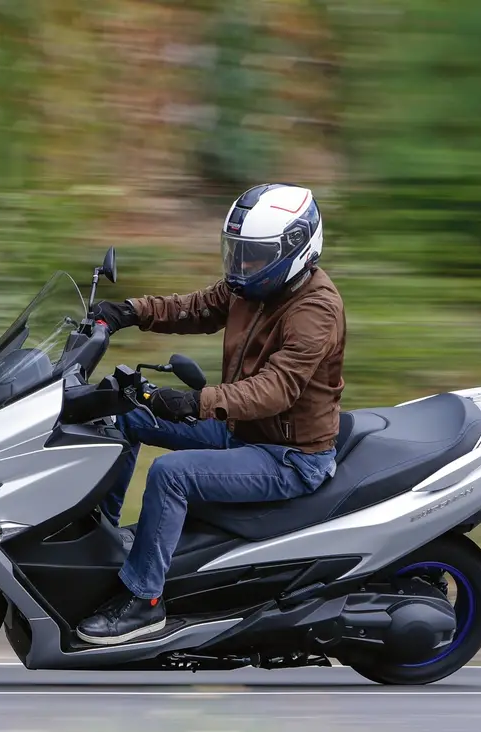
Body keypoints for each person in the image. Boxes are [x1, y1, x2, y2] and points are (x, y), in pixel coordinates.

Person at [76, 183, 347, 645]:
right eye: (238, 252)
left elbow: (276, 389)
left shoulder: (315, 310)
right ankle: (97, 537)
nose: (242, 265)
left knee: (171, 475)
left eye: (254, 255)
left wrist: (195, 402)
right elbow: (196, 308)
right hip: (240, 427)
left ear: (296, 249)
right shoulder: (256, 284)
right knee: (120, 410)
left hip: (288, 455)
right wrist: (128, 312)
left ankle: (144, 602)